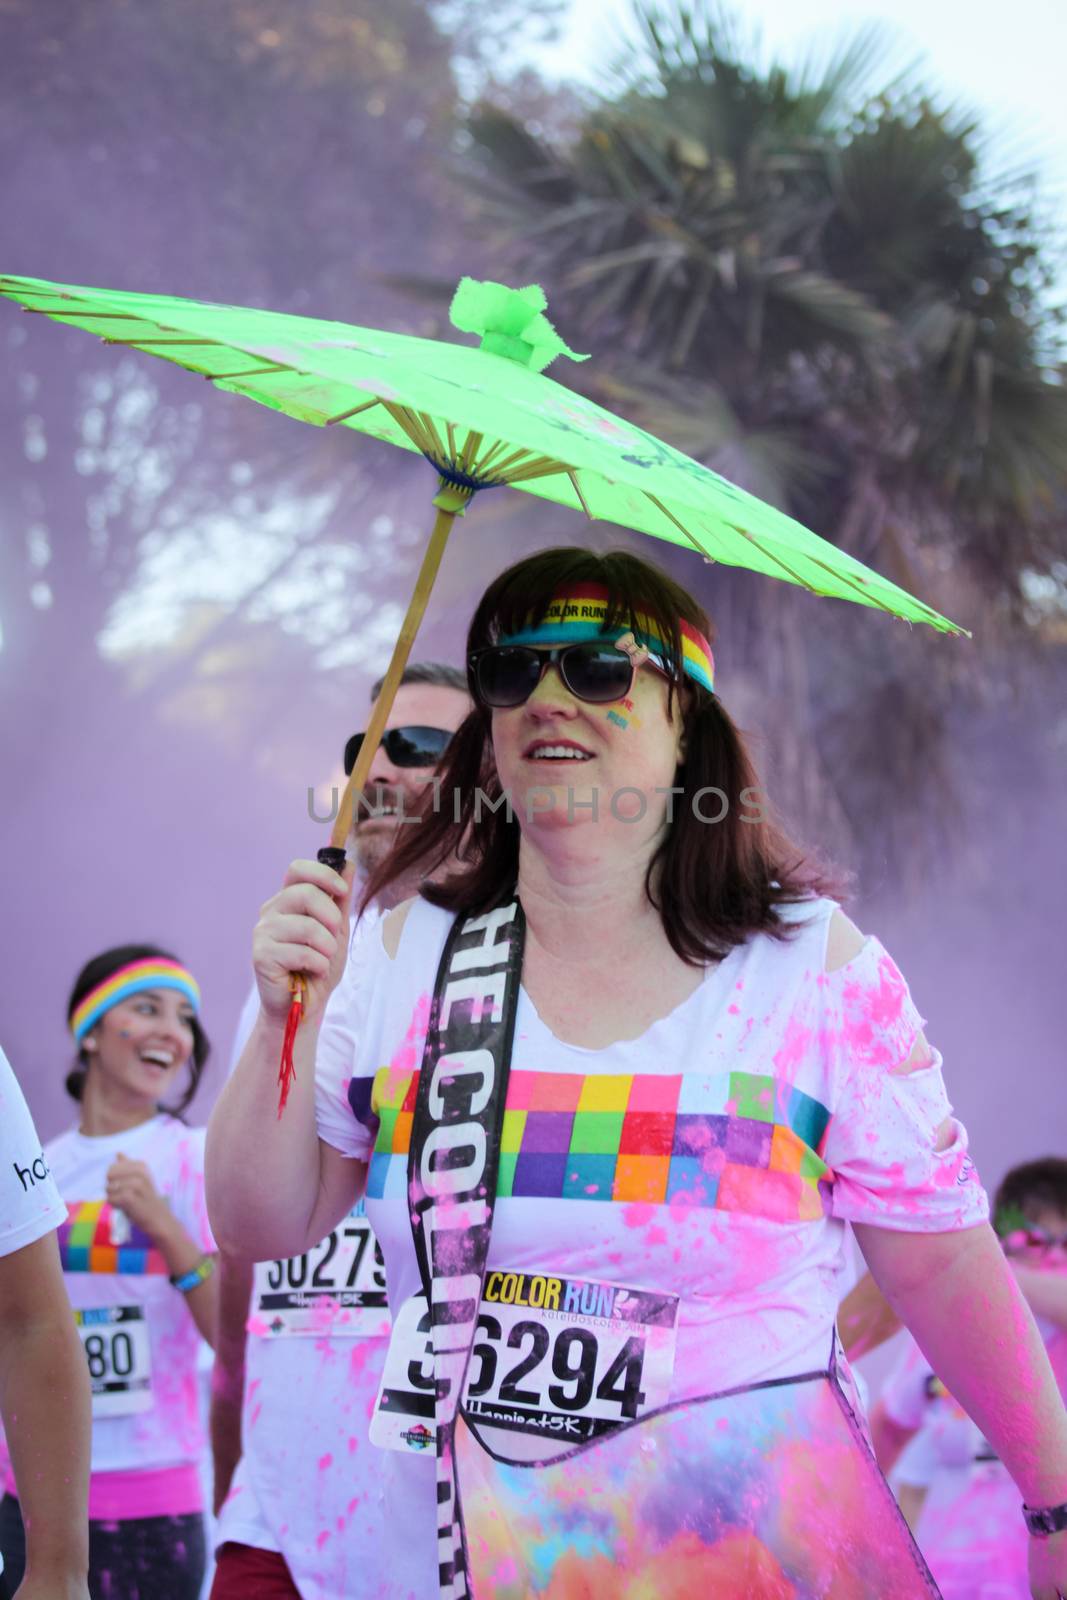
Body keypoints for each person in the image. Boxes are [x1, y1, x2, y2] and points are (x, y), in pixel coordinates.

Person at [206, 547, 1067, 1600]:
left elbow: (935, 1265)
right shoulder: (394, 955)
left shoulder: (812, 967)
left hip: (741, 1562)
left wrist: (1051, 1493)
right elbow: (258, 1221)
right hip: (442, 1567)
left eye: (597, 669)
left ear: (685, 722)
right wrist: (281, 1018)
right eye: (512, 672)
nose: (546, 697)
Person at [209, 663, 470, 1599]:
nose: (378, 772)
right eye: (365, 750)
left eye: (422, 749)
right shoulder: (294, 964)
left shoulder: (539, 974)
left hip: (456, 1532)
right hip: (276, 1523)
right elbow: (245, 1243)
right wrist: (230, 1450)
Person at [0, 947, 218, 1600]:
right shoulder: (40, 1166)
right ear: (90, 1031)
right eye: (146, 1008)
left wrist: (166, 1230)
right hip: (29, 1496)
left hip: (156, 1498)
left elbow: (230, 1334)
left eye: (184, 1020)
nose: (170, 1032)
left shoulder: (194, 1158)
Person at [868, 1158, 1067, 1599]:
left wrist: (980, 1273)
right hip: (949, 1580)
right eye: (1035, 1238)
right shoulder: (946, 1334)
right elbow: (888, 1435)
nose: (1053, 1256)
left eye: (1066, 1242)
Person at [0, 1044, 91, 1600]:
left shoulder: (184, 1156)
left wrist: (58, 1572)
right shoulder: (59, 1155)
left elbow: (27, 1321)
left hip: (162, 1498)